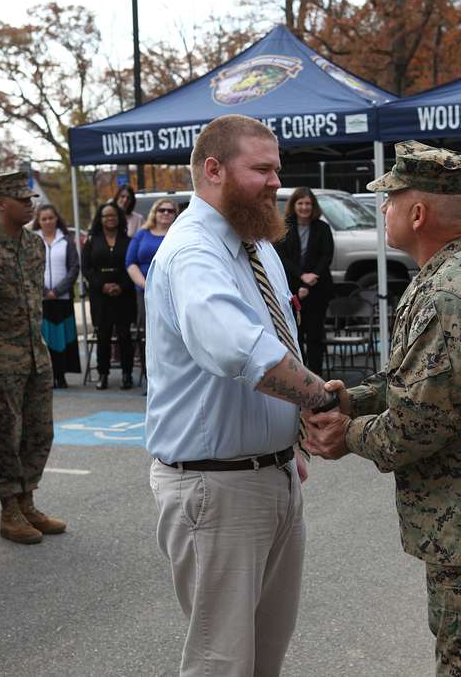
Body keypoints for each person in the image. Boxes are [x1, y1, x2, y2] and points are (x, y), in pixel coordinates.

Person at [302, 141, 461, 676]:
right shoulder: (458, 274)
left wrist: (346, 434)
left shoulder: (447, 295)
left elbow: (419, 424)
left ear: (417, 214)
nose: (383, 210)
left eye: (389, 200)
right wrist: (357, 397)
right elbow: (420, 384)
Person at [146, 114, 330, 676]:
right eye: (262, 169)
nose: (277, 182)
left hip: (269, 476)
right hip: (217, 488)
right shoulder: (193, 253)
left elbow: (280, 341)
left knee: (264, 655)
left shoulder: (257, 244)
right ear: (213, 170)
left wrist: (290, 442)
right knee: (222, 663)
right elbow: (238, 350)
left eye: (278, 168)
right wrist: (323, 400)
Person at [0, 171, 66, 544]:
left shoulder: (33, 245)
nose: (30, 205)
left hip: (34, 356)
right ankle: (9, 509)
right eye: (22, 200)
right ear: (1, 204)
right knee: (7, 435)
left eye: (31, 199)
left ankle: (27, 500)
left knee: (40, 431)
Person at [274, 187, 335, 375]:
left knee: (315, 336)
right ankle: (300, 376)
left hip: (318, 290)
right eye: (300, 203)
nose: (304, 207)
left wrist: (309, 281)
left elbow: (326, 256)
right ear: (294, 205)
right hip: (291, 290)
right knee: (296, 336)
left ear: (313, 206)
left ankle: (317, 376)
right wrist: (301, 277)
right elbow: (281, 257)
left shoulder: (322, 228)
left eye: (308, 203)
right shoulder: (284, 226)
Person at [82, 203, 135, 390]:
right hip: (100, 296)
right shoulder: (91, 242)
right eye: (105, 216)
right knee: (103, 336)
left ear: (119, 217)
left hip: (124, 296)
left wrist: (120, 286)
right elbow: (87, 269)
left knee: (124, 336)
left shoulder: (128, 241)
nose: (109, 218)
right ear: (100, 219)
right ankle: (102, 374)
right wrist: (102, 286)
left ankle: (127, 374)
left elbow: (131, 266)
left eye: (113, 215)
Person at [32, 204, 81, 389]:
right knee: (45, 338)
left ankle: (61, 375)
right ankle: (47, 375)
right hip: (41, 299)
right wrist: (45, 290)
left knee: (62, 337)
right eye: (43, 219)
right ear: (39, 221)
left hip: (62, 298)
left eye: (50, 218)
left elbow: (74, 267)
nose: (47, 222)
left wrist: (57, 290)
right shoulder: (33, 240)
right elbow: (30, 267)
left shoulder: (67, 240)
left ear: (56, 219)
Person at [126, 197, 177, 360]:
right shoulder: (142, 235)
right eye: (162, 210)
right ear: (154, 213)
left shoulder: (180, 234)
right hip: (146, 292)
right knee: (149, 331)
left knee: (173, 332)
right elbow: (130, 262)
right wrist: (146, 285)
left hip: (174, 292)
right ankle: (150, 368)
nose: (166, 213)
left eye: (170, 210)